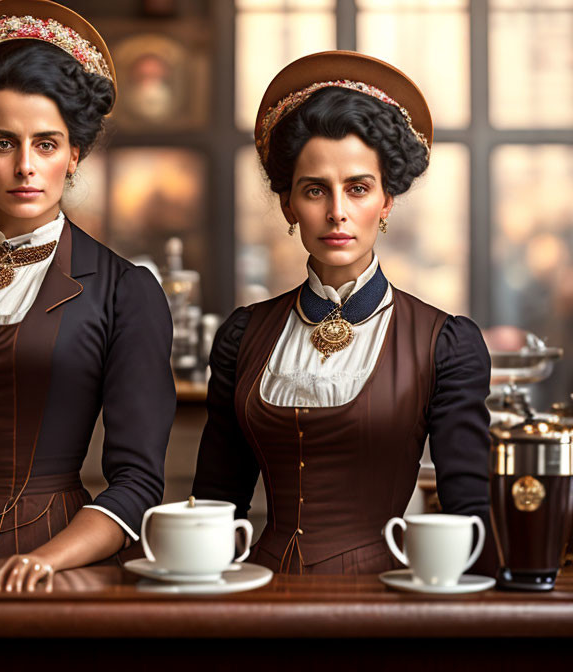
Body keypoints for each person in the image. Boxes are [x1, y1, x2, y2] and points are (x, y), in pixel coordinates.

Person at [0, 0, 175, 592]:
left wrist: (40, 563)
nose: (25, 167)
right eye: (3, 144)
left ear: (74, 154)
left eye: (46, 144)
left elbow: (136, 485)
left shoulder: (127, 291)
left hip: (61, 568)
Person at [192, 51, 494, 575]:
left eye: (358, 188)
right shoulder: (243, 335)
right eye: (315, 190)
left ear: (386, 201)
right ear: (288, 205)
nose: (337, 212)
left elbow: (471, 510)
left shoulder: (445, 343)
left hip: (382, 606)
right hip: (257, 603)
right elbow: (217, 501)